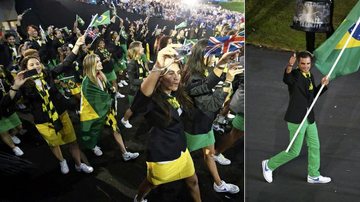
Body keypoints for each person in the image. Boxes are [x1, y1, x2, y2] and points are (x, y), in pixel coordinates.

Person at [134, 47, 201, 202]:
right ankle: (139, 197)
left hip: (181, 150)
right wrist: (158, 65)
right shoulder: (152, 99)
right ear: (160, 77)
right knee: (152, 184)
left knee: (193, 181)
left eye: (178, 73)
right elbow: (143, 95)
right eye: (171, 73)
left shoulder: (177, 93)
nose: (176, 77)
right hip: (163, 155)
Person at [18, 35, 93, 174]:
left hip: (61, 113)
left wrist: (76, 46)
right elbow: (16, 100)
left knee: (73, 141)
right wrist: (16, 87)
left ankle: (78, 164)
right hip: (43, 120)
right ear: (25, 68)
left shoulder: (49, 74)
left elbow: (65, 64)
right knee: (54, 144)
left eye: (37, 63)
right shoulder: (23, 84)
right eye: (31, 65)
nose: (36, 66)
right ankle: (62, 161)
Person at [262, 51, 331, 184]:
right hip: (296, 119)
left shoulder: (310, 75)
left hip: (309, 118)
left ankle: (313, 175)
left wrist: (323, 85)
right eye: (303, 64)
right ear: (298, 64)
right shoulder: (294, 75)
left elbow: (312, 96)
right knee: (294, 151)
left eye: (308, 63)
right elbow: (287, 78)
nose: (305, 66)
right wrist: (289, 65)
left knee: (315, 146)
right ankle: (269, 165)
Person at [183, 39, 241, 194]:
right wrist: (228, 80)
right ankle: (146, 189)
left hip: (205, 123)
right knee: (179, 158)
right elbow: (212, 104)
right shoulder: (192, 77)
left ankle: (218, 183)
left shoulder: (199, 70)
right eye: (213, 55)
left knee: (209, 154)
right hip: (195, 127)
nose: (215, 58)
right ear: (203, 56)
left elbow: (208, 83)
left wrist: (222, 64)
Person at [80, 53, 139, 160]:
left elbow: (107, 90)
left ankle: (125, 153)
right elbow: (95, 100)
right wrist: (110, 96)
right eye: (97, 61)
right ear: (91, 65)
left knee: (115, 129)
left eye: (99, 60)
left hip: (105, 109)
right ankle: (93, 146)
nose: (100, 62)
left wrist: (111, 91)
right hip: (93, 113)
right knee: (94, 131)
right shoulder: (87, 82)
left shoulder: (101, 75)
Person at [121, 41, 149, 128]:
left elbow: (144, 73)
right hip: (134, 91)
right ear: (136, 49)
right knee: (132, 108)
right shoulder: (132, 63)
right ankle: (124, 120)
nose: (143, 48)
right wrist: (144, 80)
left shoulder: (140, 60)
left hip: (141, 88)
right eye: (141, 47)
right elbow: (132, 81)